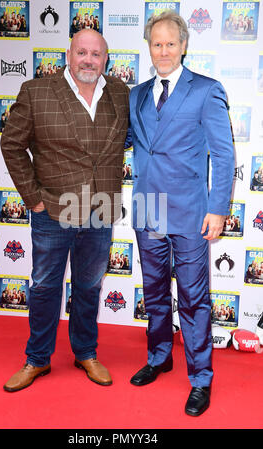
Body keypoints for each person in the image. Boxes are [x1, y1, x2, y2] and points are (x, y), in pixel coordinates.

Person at [1, 29, 129, 392]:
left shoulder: (119, 93)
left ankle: (85, 352)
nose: (89, 60)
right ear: (68, 55)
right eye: (82, 53)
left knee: (89, 286)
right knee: (44, 288)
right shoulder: (36, 91)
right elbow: (11, 145)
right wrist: (33, 198)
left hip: (100, 211)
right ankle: (37, 359)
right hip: (52, 211)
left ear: (106, 58)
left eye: (96, 54)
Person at [128, 12, 234, 416]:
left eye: (171, 43)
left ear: (184, 46)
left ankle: (201, 378)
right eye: (156, 44)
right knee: (154, 291)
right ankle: (159, 357)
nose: (163, 51)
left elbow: (223, 155)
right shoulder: (136, 95)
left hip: (191, 214)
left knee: (193, 299)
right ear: (149, 48)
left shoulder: (206, 90)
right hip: (147, 210)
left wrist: (218, 210)